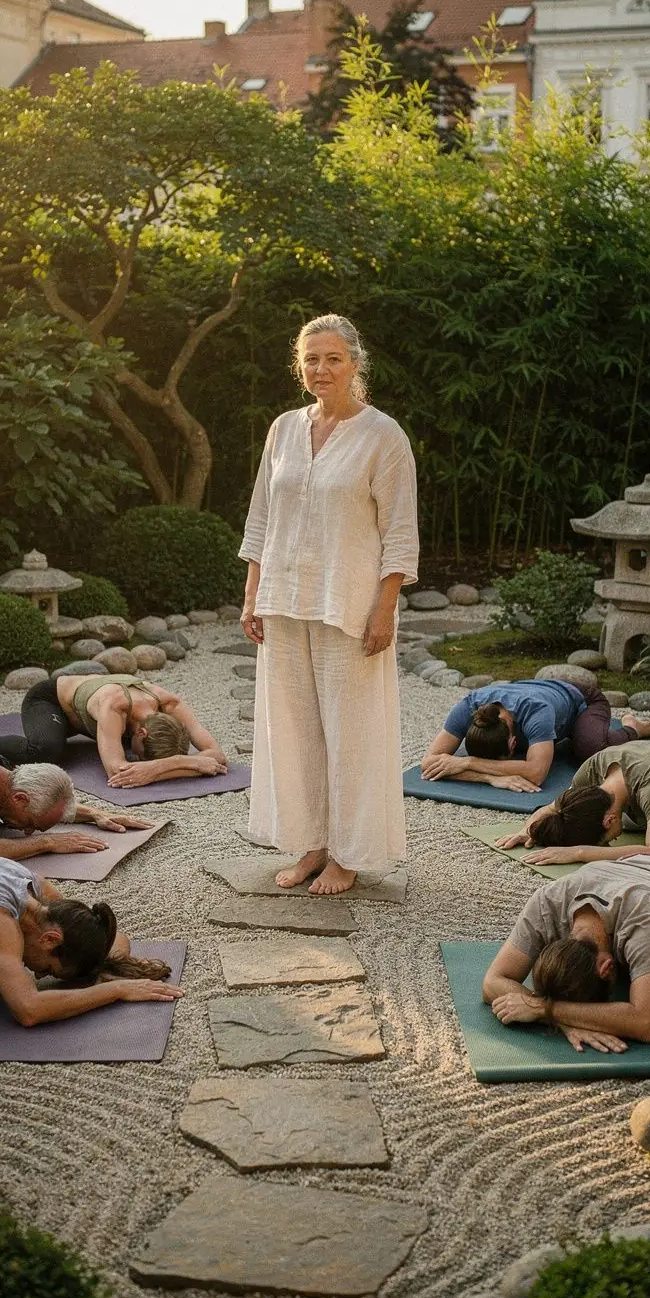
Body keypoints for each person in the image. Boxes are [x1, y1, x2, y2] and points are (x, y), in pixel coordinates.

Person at [239, 313, 418, 895]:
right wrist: (253, 595)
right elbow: (262, 517)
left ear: (355, 364)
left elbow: (399, 532)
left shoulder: (383, 436)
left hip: (350, 606)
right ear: (300, 366)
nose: (321, 369)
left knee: (351, 733)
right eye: (311, 359)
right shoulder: (282, 430)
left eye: (333, 358)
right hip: (284, 602)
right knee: (295, 732)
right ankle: (311, 843)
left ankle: (348, 853)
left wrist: (385, 609)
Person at [0, 845, 183, 1025]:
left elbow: (115, 938)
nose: (38, 975)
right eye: (49, 968)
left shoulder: (42, 899)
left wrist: (109, 968)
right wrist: (117, 990)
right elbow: (29, 1010)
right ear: (50, 939)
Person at [482, 851, 650, 1052]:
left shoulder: (644, 920)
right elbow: (492, 982)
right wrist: (565, 1022)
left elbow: (648, 1023)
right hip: (641, 868)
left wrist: (544, 1009)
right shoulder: (547, 902)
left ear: (606, 968)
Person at [0, 672, 227, 787]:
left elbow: (217, 756)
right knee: (45, 751)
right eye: (142, 755)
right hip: (51, 702)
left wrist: (169, 763)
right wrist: (186, 763)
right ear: (141, 733)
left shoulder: (171, 705)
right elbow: (117, 772)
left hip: (93, 716)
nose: (139, 761)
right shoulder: (114, 707)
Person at [495, 739, 650, 866]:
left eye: (605, 840)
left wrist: (580, 852)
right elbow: (555, 809)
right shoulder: (591, 772)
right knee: (633, 820)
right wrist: (528, 830)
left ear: (609, 820)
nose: (614, 840)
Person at [0, 745, 147, 861]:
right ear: (19, 798)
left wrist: (95, 813)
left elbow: (50, 803)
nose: (28, 832)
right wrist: (46, 841)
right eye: (31, 824)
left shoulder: (8, 776)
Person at [421, 679, 650, 790]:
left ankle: (633, 727)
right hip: (535, 689)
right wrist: (489, 777)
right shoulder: (467, 708)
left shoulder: (536, 712)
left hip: (582, 699)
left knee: (590, 750)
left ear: (513, 744)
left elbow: (536, 774)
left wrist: (467, 762)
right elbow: (429, 763)